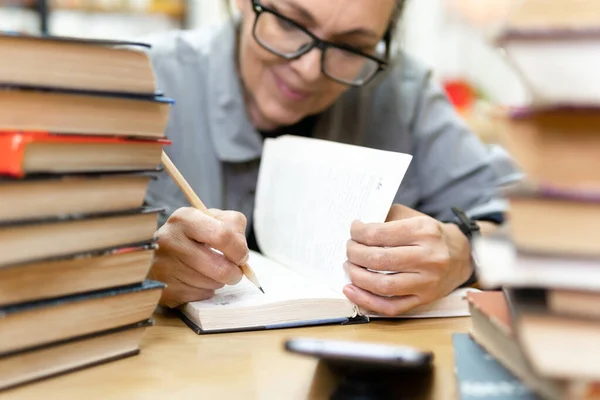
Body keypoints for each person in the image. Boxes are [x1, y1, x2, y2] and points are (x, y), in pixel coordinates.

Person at [143, 0, 519, 315]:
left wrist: (464, 252)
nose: (307, 71)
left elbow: (531, 224)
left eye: (350, 47)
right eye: (291, 22)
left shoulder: (403, 94)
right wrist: (140, 265)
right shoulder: (143, 81)